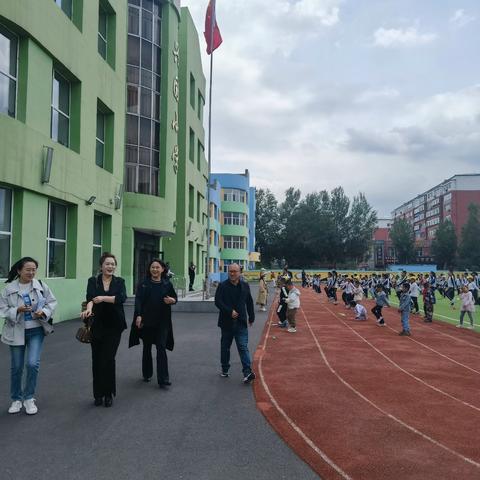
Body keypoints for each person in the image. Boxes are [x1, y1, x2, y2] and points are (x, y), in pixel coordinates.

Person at [0, 257, 57, 415]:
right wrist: (17, 310)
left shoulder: (40, 286)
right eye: (28, 269)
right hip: (16, 331)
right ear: (19, 270)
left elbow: (51, 302)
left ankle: (29, 398)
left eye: (34, 269)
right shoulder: (8, 289)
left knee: (32, 364)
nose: (31, 272)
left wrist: (44, 312)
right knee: (17, 367)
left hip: (36, 330)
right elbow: (2, 309)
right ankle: (16, 399)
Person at [80, 253, 127, 407]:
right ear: (101, 266)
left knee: (109, 359)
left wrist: (103, 298)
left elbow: (121, 298)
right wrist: (88, 309)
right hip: (97, 325)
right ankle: (98, 395)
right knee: (97, 359)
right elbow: (90, 299)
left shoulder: (120, 282)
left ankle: (108, 394)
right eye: (107, 264)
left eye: (113, 264)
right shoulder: (93, 281)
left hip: (114, 326)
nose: (110, 267)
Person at [129, 259, 177, 388]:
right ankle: (147, 373)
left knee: (161, 347)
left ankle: (163, 379)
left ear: (162, 269)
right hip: (147, 321)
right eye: (152, 267)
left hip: (162, 322)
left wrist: (172, 300)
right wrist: (138, 315)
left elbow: (174, 298)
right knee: (147, 347)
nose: (155, 269)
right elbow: (138, 300)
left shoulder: (167, 284)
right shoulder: (144, 284)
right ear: (149, 269)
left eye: (157, 267)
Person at [214, 263, 256, 383]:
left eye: (235, 271)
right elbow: (218, 302)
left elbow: (249, 302)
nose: (232, 273)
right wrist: (229, 311)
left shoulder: (245, 286)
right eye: (230, 271)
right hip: (226, 323)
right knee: (225, 347)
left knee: (243, 347)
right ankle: (225, 368)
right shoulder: (222, 286)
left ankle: (247, 372)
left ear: (240, 273)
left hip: (241, 322)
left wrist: (251, 317)